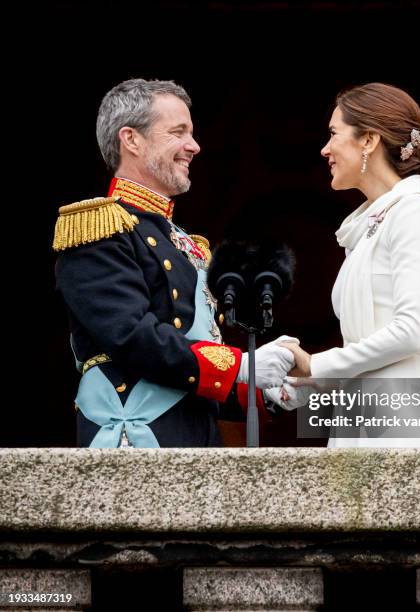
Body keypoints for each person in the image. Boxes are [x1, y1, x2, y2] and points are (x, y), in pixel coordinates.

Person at [54, 78, 296, 448]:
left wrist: (263, 389)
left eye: (192, 133)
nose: (194, 146)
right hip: (136, 443)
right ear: (131, 139)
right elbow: (132, 338)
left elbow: (189, 377)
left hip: (196, 442)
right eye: (178, 132)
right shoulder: (100, 228)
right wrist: (240, 365)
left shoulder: (185, 242)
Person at [270, 82, 420, 448]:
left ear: (368, 141)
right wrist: (313, 380)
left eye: (333, 134)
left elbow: (409, 330)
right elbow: (368, 344)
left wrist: (317, 364)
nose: (325, 149)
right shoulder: (368, 225)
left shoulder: (413, 211)